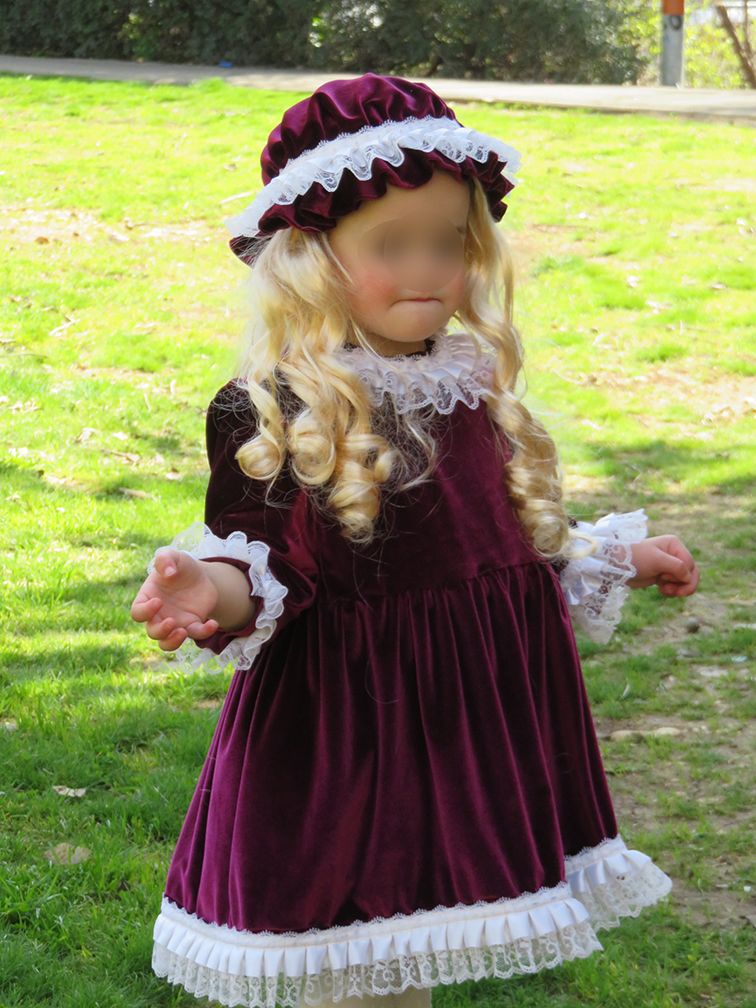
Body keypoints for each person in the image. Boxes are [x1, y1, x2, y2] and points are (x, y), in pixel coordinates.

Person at [131, 74, 699, 1008]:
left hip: (469, 729)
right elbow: (264, 559)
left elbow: (508, 545)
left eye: (450, 242)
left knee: (413, 957)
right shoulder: (280, 407)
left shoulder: (469, 383)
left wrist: (621, 558)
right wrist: (209, 586)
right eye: (391, 245)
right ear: (311, 259)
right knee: (352, 955)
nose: (429, 268)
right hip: (353, 735)